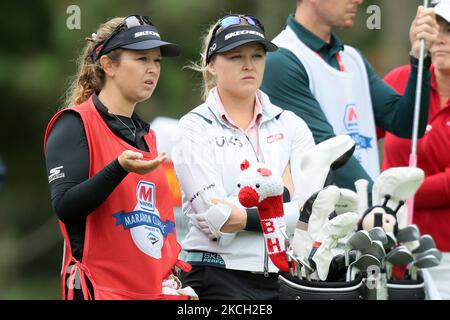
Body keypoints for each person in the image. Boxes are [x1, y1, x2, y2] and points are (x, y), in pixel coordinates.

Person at [44, 15, 195, 300]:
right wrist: (118, 168)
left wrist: (170, 279)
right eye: (141, 59)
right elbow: (65, 206)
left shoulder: (147, 135)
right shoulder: (74, 123)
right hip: (99, 291)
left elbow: (155, 225)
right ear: (108, 64)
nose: (152, 69)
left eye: (157, 61)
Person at [172, 14, 315, 299]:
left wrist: (245, 217)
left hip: (285, 277)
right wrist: (281, 202)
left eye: (257, 55)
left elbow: (309, 214)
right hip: (215, 276)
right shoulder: (194, 126)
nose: (249, 64)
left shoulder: (292, 125)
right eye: (236, 56)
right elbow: (220, 220)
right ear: (211, 64)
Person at [261, 0, 439, 195]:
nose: (358, 1)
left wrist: (419, 58)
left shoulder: (352, 58)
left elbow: (408, 125)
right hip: (320, 221)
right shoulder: (280, 60)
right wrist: (377, 206)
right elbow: (329, 152)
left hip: (365, 219)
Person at [381, 0, 450, 299]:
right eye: (436, 28)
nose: (441, 37)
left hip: (446, 256)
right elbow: (359, 141)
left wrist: (391, 191)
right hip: (390, 250)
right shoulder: (402, 80)